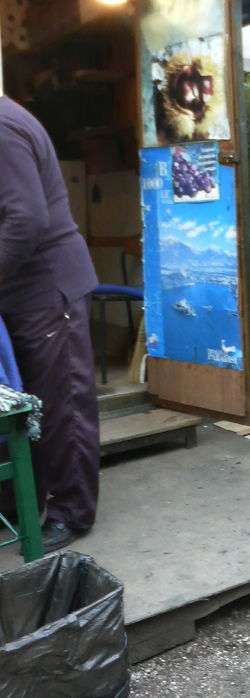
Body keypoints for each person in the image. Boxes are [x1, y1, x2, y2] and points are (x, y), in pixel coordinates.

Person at [0, 94, 100, 552]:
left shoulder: (2, 127)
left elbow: (26, 218)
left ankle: (72, 510)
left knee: (63, 406)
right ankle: (24, 501)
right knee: (22, 406)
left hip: (47, 288)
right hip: (19, 292)